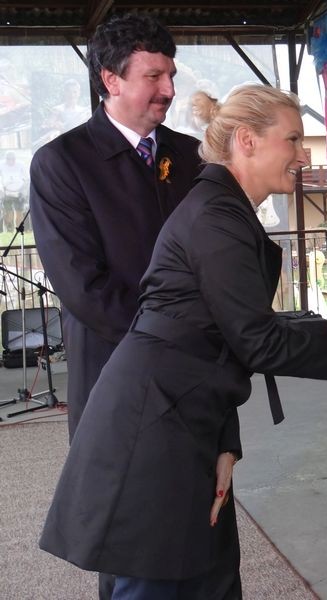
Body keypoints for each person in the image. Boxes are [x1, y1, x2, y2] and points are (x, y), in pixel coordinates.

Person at [39, 84, 327, 600]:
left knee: (208, 578)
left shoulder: (224, 210)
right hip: (155, 428)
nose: (303, 155)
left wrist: (225, 440)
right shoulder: (215, 215)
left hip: (186, 417)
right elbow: (255, 340)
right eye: (293, 139)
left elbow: (227, 336)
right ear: (247, 140)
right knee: (161, 582)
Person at [29, 13, 203, 443]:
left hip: (197, 371)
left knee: (203, 480)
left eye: (171, 75)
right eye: (154, 76)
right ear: (112, 80)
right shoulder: (62, 162)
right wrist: (175, 332)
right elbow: (84, 287)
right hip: (114, 370)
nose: (169, 90)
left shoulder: (193, 156)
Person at [0, 151, 27, 233]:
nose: (11, 161)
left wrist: (24, 190)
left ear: (15, 159)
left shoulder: (21, 164)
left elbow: (26, 178)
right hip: (6, 192)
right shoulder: (1, 165)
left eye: (13, 159)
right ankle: (9, 230)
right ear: (6, 159)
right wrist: (1, 190)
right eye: (9, 159)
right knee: (8, 212)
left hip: (19, 192)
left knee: (19, 212)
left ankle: (19, 231)